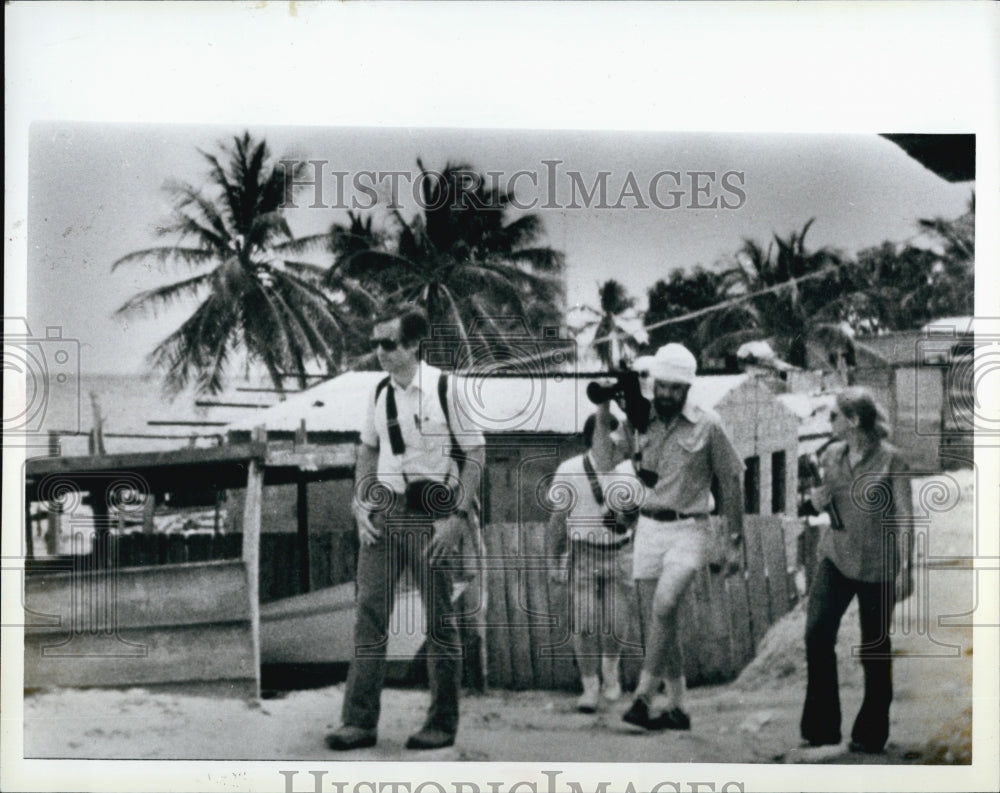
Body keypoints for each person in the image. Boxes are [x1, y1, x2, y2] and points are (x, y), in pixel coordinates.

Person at [326, 307, 485, 752]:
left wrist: (457, 518)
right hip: (384, 514)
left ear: (414, 344)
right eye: (376, 343)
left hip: (431, 515)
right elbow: (366, 449)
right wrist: (360, 501)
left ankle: (441, 724)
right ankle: (358, 722)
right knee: (369, 616)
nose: (380, 352)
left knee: (439, 619)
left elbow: (475, 455)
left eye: (389, 344)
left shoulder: (444, 389)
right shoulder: (379, 392)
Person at [620, 343, 745, 731]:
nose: (669, 394)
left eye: (677, 388)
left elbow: (732, 479)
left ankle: (642, 696)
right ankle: (679, 708)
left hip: (691, 527)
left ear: (689, 388)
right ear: (654, 383)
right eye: (663, 386)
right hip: (649, 527)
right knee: (664, 618)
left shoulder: (709, 424)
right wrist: (608, 408)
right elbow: (606, 458)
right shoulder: (639, 421)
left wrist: (734, 540)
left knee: (665, 603)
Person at [800, 386, 913, 754]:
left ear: (853, 420)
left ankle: (871, 731)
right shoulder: (832, 454)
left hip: (878, 566)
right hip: (835, 557)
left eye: (833, 415)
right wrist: (817, 500)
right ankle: (821, 728)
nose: (828, 421)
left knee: (874, 648)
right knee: (817, 634)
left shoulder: (892, 460)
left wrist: (907, 567)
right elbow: (825, 500)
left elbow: (905, 518)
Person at [547, 407, 639, 713]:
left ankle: (611, 675)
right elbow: (557, 519)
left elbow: (640, 517)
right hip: (583, 553)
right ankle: (589, 687)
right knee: (584, 623)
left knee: (616, 622)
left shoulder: (631, 469)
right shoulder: (570, 469)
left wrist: (627, 518)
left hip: (621, 552)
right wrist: (552, 559)